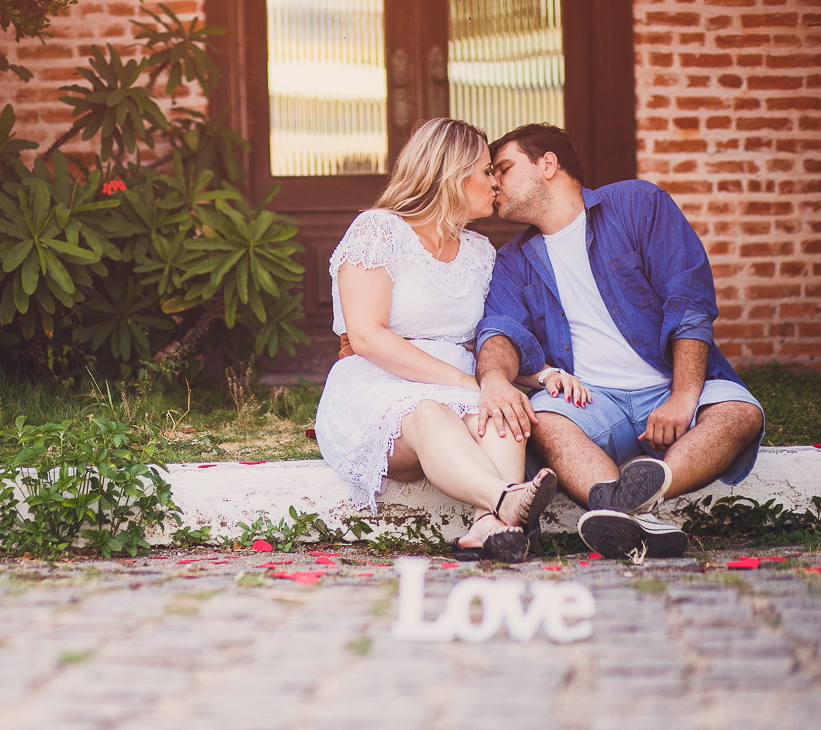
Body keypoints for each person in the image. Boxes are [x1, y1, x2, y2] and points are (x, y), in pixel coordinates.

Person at [475, 123, 765, 560]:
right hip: (592, 401)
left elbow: (688, 298)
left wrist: (683, 396)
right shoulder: (513, 261)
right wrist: (495, 378)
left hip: (668, 383)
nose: (494, 181)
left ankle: (639, 494)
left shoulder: (638, 205)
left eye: (505, 168)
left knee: (741, 414)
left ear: (547, 164)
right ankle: (629, 511)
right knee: (545, 422)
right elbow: (500, 331)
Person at [314, 118, 591, 562]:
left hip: (456, 383)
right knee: (431, 413)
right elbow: (366, 336)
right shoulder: (378, 231)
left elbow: (485, 340)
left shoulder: (481, 251)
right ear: (453, 174)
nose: (495, 183)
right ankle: (508, 500)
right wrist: (467, 386)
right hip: (380, 385)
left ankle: (490, 527)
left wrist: (538, 375)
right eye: (486, 170)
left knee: (503, 412)